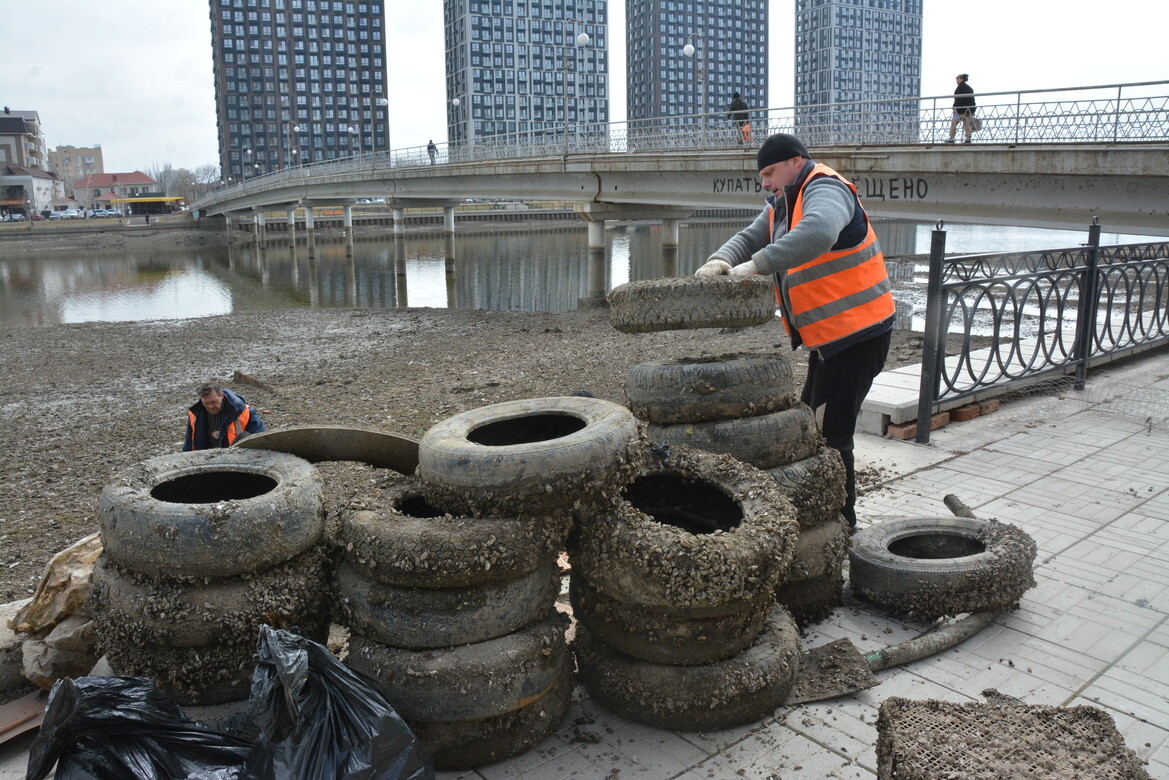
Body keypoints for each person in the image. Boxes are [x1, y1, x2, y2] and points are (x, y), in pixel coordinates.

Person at [695, 133, 895, 530]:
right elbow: (751, 235)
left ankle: (841, 526)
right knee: (811, 428)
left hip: (859, 334)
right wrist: (719, 260)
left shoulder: (824, 188)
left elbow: (819, 233)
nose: (765, 183)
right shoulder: (782, 205)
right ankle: (826, 518)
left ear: (795, 161)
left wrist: (756, 266)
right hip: (831, 340)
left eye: (770, 172)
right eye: (761, 177)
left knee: (830, 438)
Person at [182, 381, 266, 451]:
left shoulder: (243, 412)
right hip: (206, 460)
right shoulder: (195, 415)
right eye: (206, 403)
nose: (210, 406)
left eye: (213, 402)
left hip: (236, 459)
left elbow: (260, 439)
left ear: (221, 395)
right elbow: (189, 443)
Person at [947, 73, 976, 144]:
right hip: (969, 111)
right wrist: (973, 110)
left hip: (959, 111)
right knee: (967, 125)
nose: (956, 81)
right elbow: (972, 100)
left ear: (961, 79)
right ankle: (968, 138)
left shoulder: (959, 88)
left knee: (954, 123)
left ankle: (951, 138)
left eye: (957, 79)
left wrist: (954, 109)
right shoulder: (970, 88)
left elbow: (957, 99)